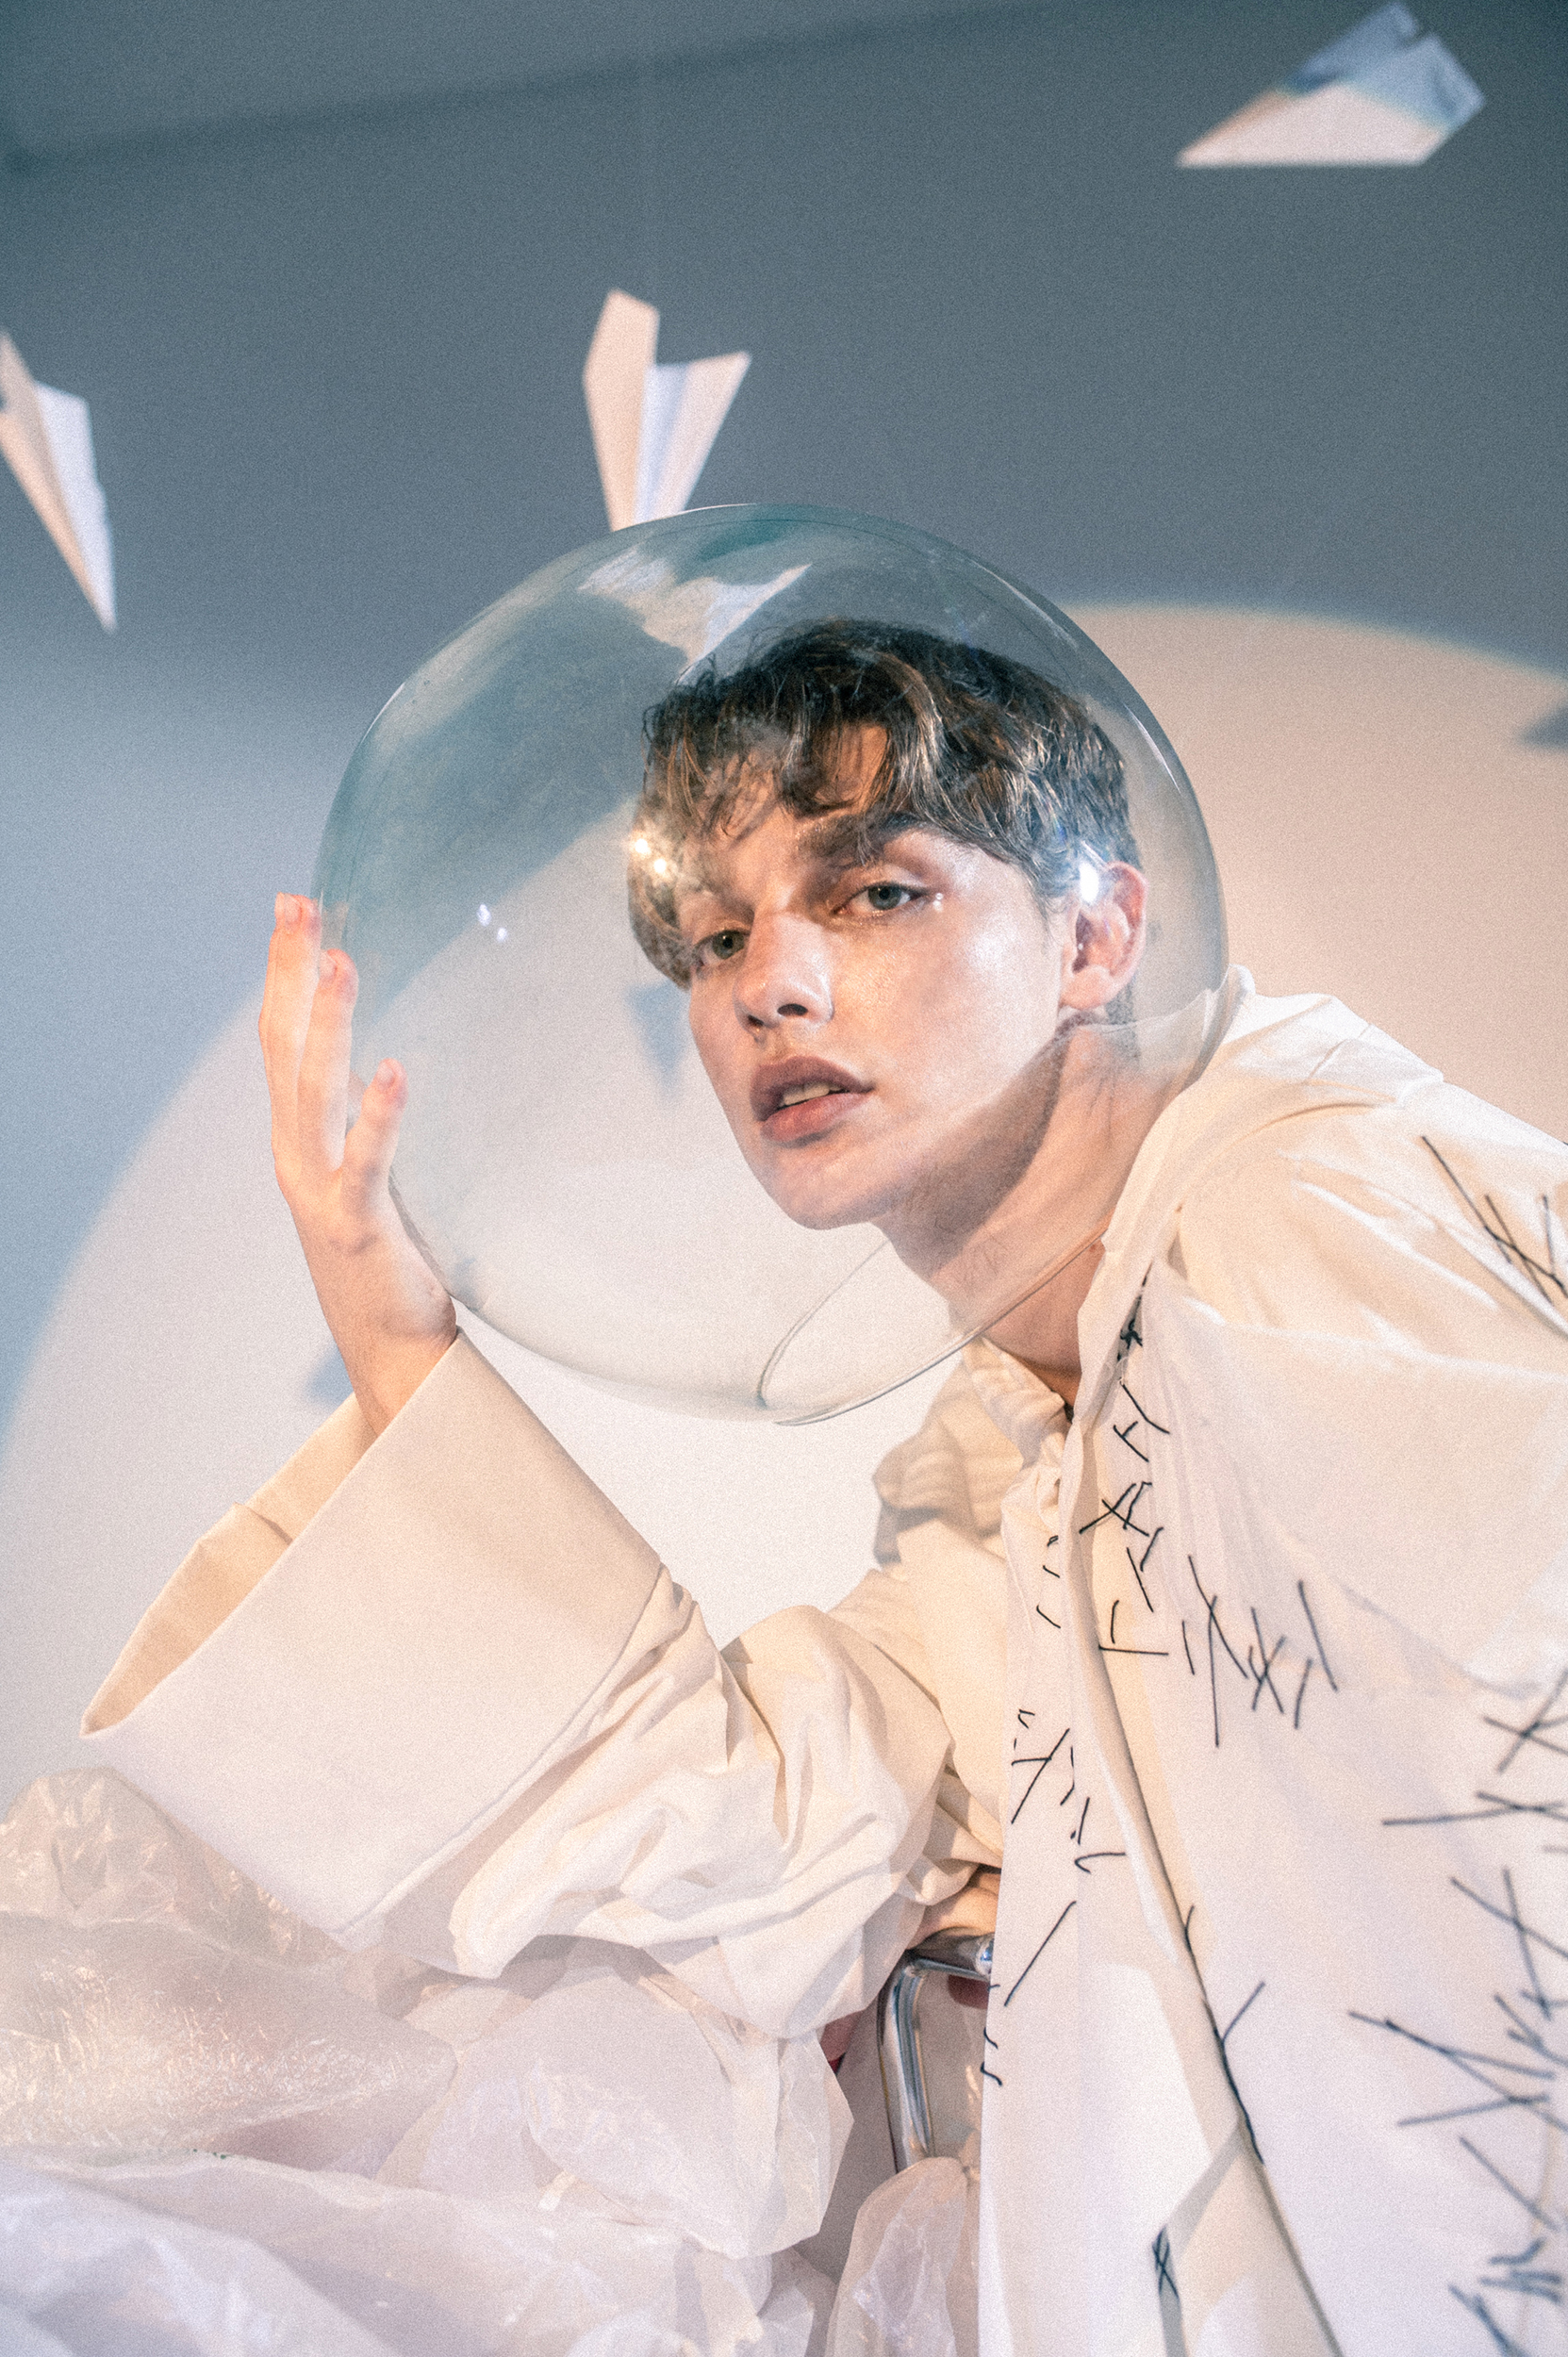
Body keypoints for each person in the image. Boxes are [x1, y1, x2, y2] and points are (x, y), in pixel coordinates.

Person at [83, 622, 1568, 2357]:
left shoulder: (1302, 1235)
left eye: (875, 894)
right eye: (717, 937)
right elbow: (779, 1855)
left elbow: (1488, 1957)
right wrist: (390, 1323)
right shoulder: (1028, 1430)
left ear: (1094, 937)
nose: (767, 988)